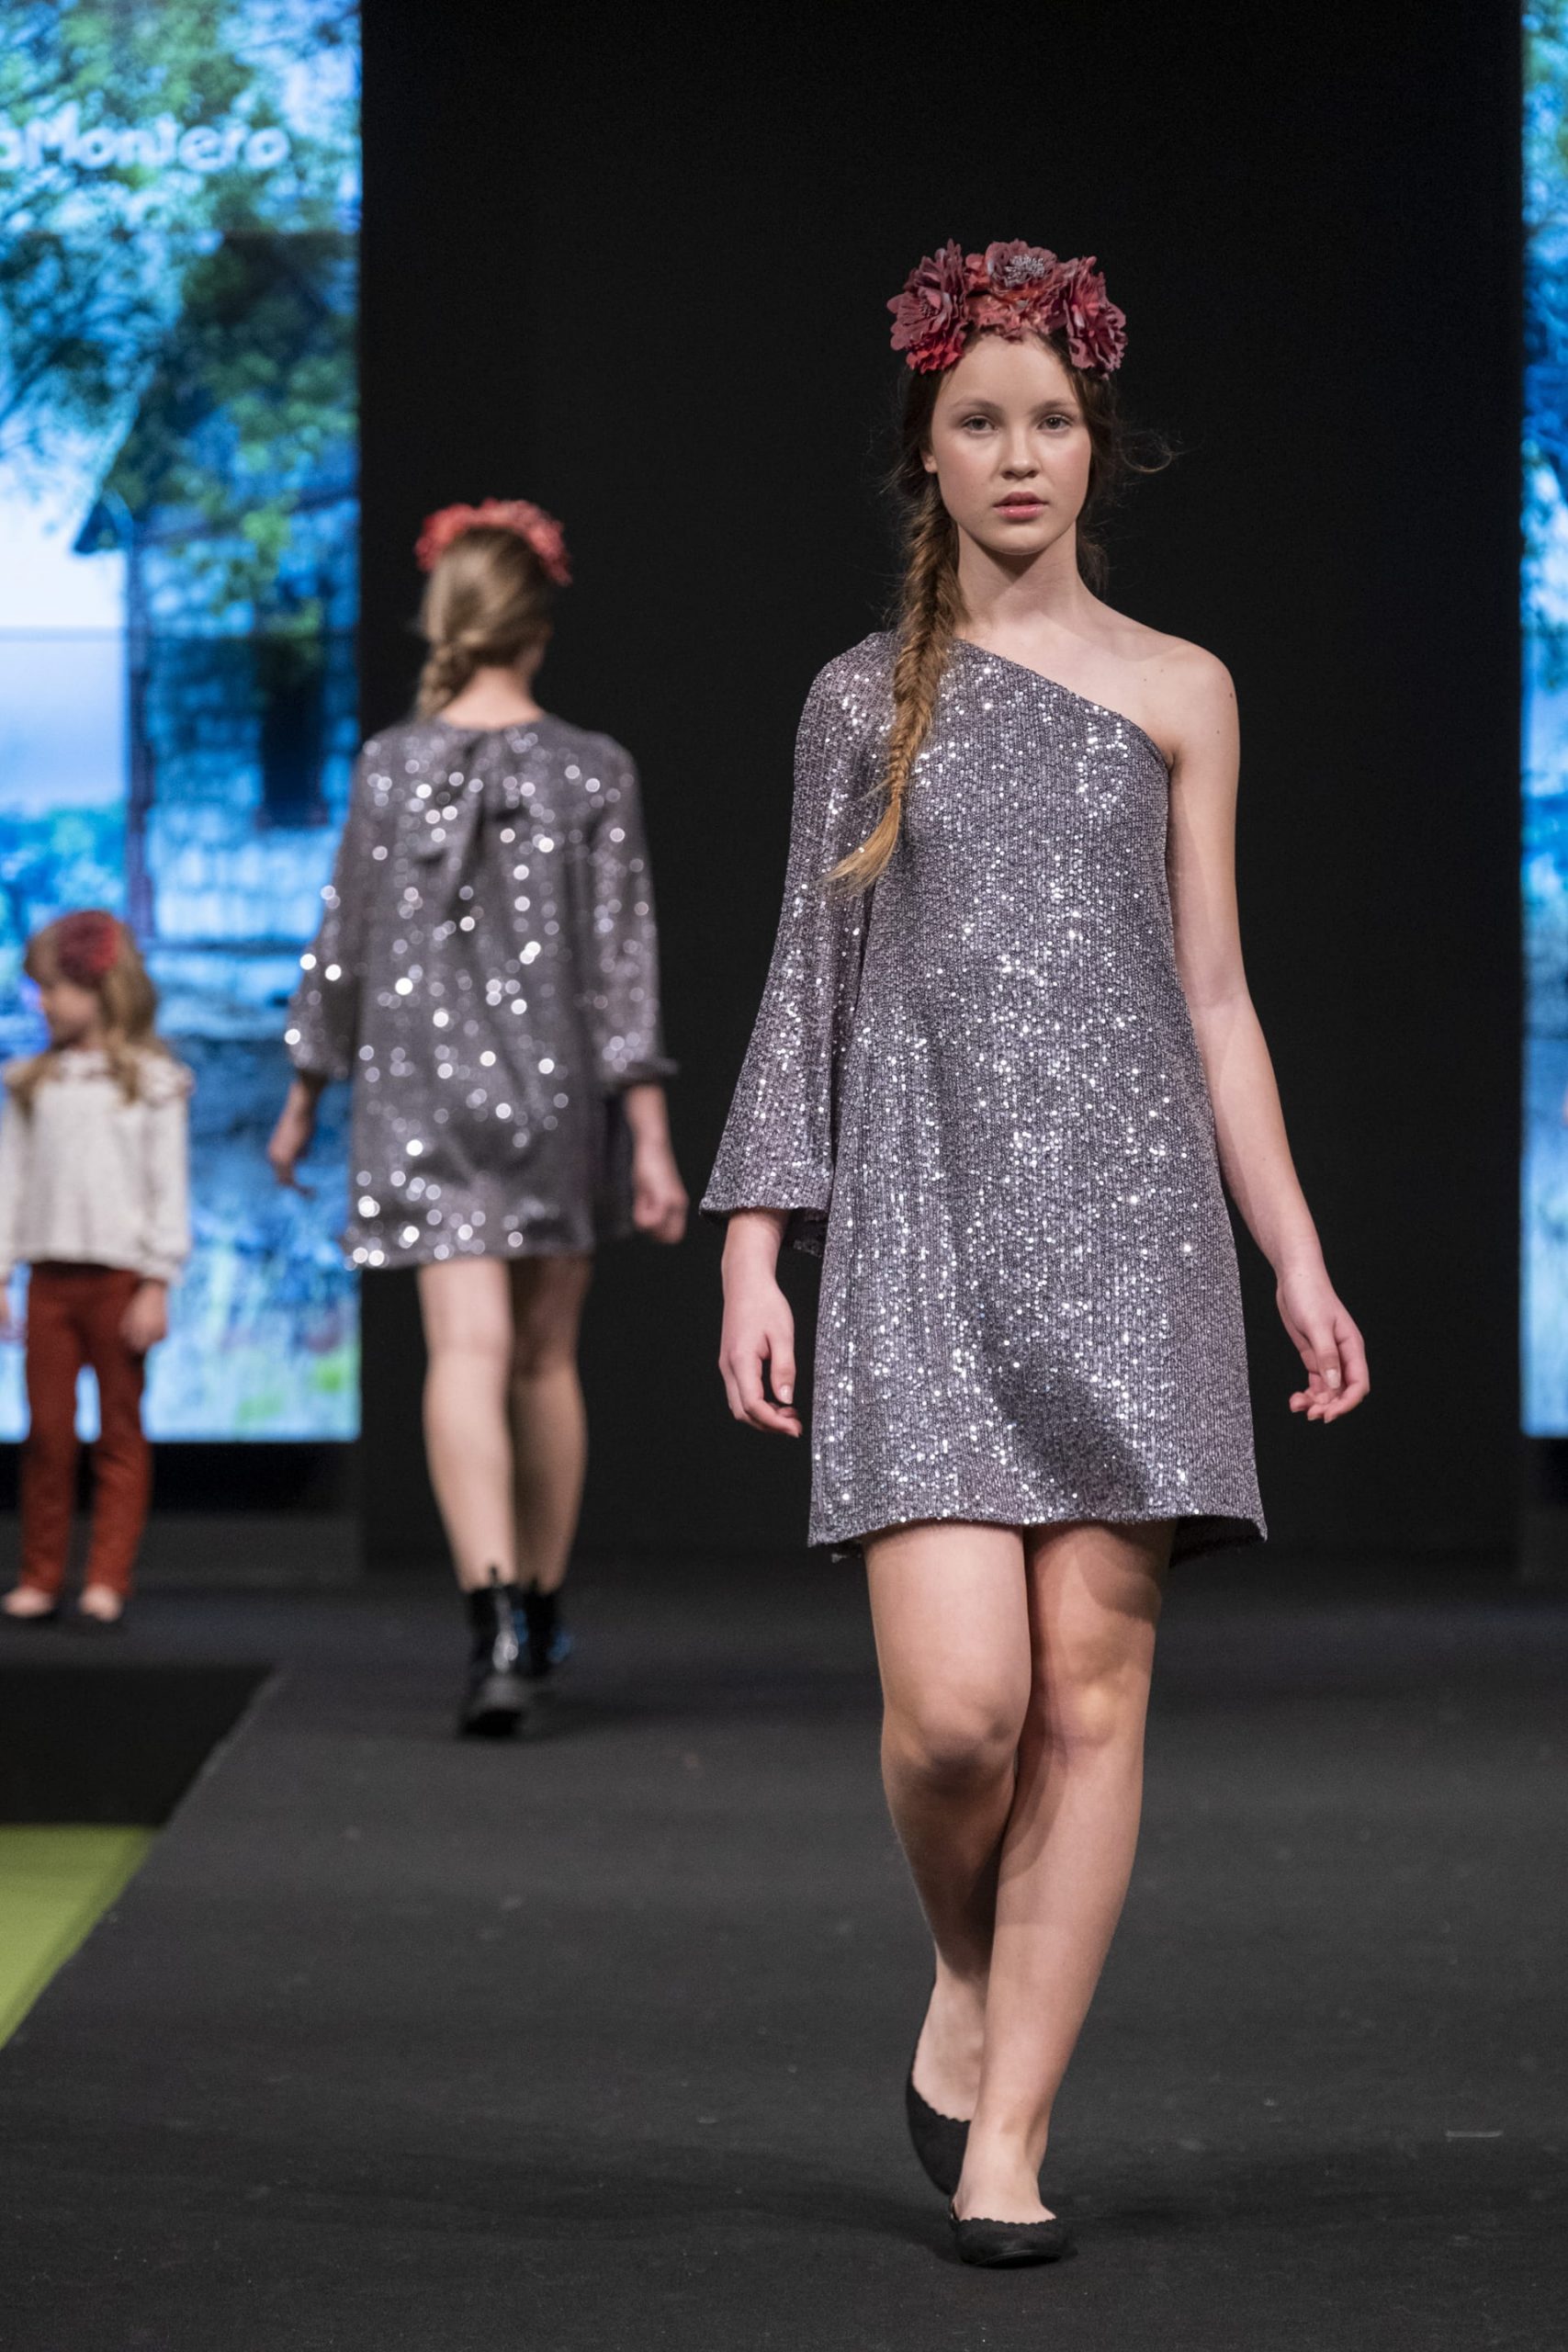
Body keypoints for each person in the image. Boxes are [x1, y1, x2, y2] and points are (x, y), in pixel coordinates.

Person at [704, 240, 1370, 2267]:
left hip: (1135, 1237)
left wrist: (1292, 1254)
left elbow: (1217, 999)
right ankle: (964, 1969)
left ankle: (1008, 2138)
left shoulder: (1181, 690)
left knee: (1090, 1693)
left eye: (1050, 421)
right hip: (919, 1238)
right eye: (977, 421)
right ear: (925, 448)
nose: (1017, 455)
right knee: (956, 1718)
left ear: (1097, 446)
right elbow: (807, 983)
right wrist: (754, 1250)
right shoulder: (857, 699)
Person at [269, 500, 685, 1735]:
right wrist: (650, 1137)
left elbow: (340, 948)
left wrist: (303, 1094)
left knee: (466, 1353)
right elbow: (623, 965)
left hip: (418, 1095)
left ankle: (493, 1619)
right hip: (553, 1097)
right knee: (545, 1358)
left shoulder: (388, 766)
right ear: (539, 622)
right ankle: (538, 1612)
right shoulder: (592, 766)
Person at [0, 911, 191, 1628]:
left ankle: (107, 1576)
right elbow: (11, 1182)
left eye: (53, 987)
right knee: (48, 1436)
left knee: (118, 1432)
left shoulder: (150, 1083)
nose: (42, 1002)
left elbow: (167, 1186)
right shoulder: (33, 1083)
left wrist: (156, 1281)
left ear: (98, 989)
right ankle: (41, 1574)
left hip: (118, 1282)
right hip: (49, 1282)